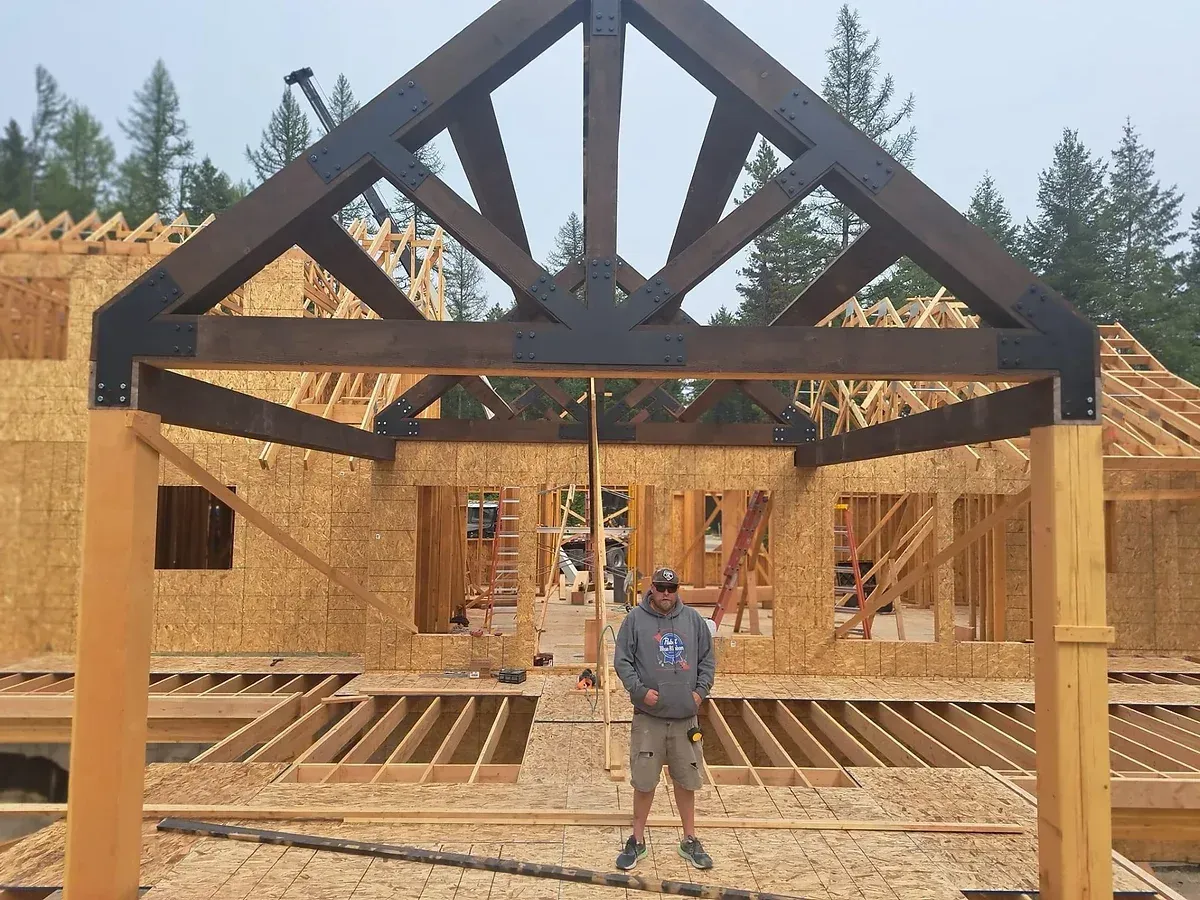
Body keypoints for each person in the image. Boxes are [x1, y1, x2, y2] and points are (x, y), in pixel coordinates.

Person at [612, 565, 715, 871]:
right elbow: (622, 660)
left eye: (672, 589)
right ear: (652, 588)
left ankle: (690, 839)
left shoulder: (693, 620)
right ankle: (637, 840)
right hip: (649, 718)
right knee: (644, 781)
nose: (667, 594)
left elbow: (708, 659)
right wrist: (639, 690)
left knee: (686, 781)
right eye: (661, 588)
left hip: (685, 719)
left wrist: (699, 692)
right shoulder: (634, 621)